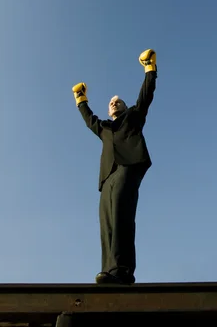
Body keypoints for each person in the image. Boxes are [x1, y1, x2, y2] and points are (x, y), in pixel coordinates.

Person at [72, 48, 157, 285]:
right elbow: (90, 121)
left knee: (121, 213)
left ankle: (123, 269)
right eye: (111, 102)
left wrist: (150, 69)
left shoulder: (133, 116)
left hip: (129, 166)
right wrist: (81, 100)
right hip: (107, 175)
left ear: (123, 106)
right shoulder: (105, 129)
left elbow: (146, 96)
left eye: (117, 101)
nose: (113, 103)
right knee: (107, 220)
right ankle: (109, 270)